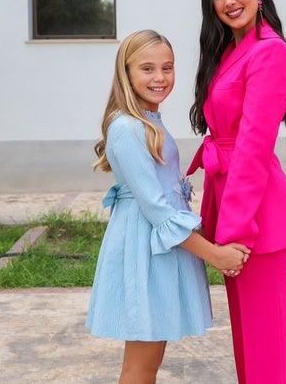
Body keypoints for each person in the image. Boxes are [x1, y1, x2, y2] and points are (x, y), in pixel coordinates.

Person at [86, 29, 251, 384]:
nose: (160, 78)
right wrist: (214, 254)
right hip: (146, 252)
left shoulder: (147, 121)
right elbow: (158, 209)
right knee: (141, 366)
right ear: (126, 72)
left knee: (150, 361)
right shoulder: (127, 128)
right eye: (147, 69)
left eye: (168, 67)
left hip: (159, 249)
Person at [187, 0, 286, 384]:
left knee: (264, 346)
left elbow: (253, 148)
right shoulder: (230, 50)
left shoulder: (269, 53)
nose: (229, 0)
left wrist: (233, 232)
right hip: (231, 199)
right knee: (248, 345)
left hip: (255, 214)